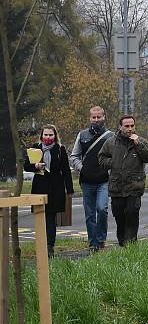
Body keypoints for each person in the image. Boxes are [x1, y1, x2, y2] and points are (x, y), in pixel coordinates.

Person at [98, 115, 148, 247]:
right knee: (119, 216)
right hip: (117, 186)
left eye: (132, 126)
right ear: (120, 127)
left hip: (134, 186)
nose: (130, 129)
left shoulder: (141, 141)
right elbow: (101, 158)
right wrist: (112, 163)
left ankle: (131, 244)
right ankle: (122, 242)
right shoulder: (111, 142)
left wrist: (138, 144)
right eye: (127, 126)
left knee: (132, 213)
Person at [23, 125, 74, 257]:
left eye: (50, 135)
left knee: (51, 217)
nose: (48, 137)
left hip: (55, 187)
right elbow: (26, 166)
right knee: (40, 216)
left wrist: (69, 190)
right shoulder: (36, 148)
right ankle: (41, 244)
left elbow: (66, 170)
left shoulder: (60, 149)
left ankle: (49, 246)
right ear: (41, 136)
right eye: (45, 135)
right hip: (39, 185)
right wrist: (36, 166)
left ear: (55, 136)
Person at [70, 106, 113, 252]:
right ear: (90, 118)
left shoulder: (110, 136)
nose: (96, 120)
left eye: (98, 117)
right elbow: (74, 156)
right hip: (87, 181)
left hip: (103, 180)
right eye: (93, 117)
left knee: (102, 209)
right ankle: (92, 243)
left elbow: (114, 157)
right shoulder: (82, 135)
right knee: (89, 214)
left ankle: (101, 240)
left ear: (103, 117)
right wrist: (82, 168)